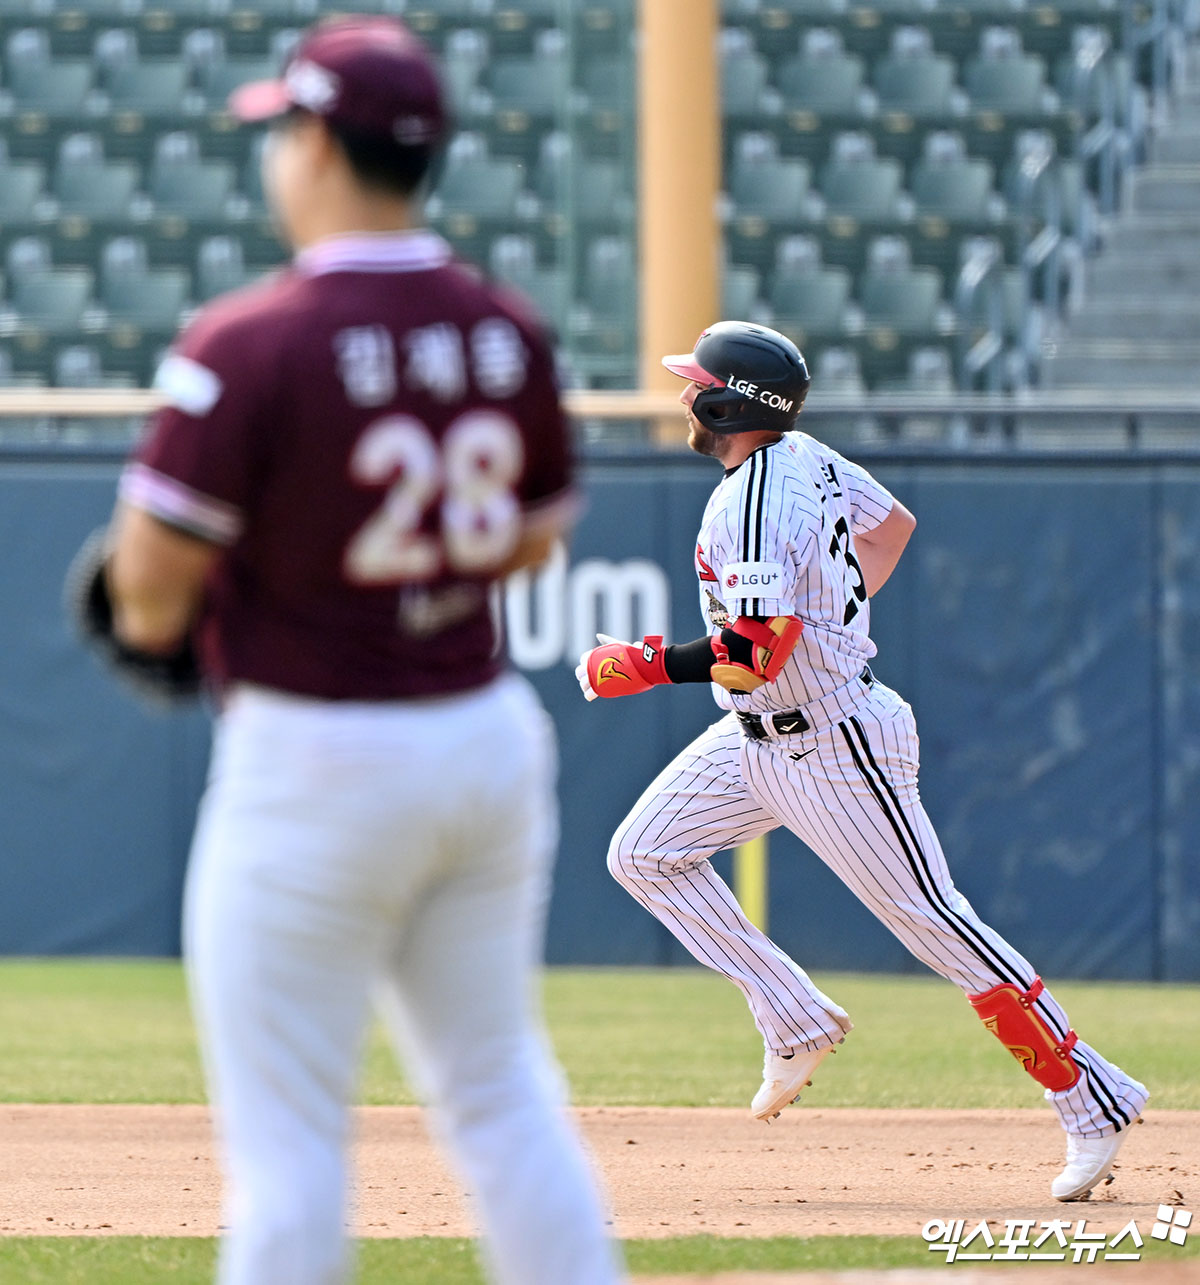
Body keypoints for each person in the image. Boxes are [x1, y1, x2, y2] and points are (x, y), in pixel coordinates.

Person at [70, 17, 624, 1285]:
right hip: (480, 738)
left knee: (288, 1151)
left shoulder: (244, 342)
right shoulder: (506, 328)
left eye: (284, 130)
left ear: (315, 142)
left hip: (317, 752)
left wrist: (164, 591)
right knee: (499, 1095)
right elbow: (533, 547)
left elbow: (150, 600)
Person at [576, 320, 1148, 1203]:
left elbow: (755, 649)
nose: (686, 395)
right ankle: (795, 1015)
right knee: (644, 853)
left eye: (698, 384)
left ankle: (1090, 1094)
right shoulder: (803, 455)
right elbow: (893, 530)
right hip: (756, 734)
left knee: (938, 924)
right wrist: (828, 615)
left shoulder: (754, 500)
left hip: (832, 742)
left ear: (731, 402)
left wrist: (644, 663)